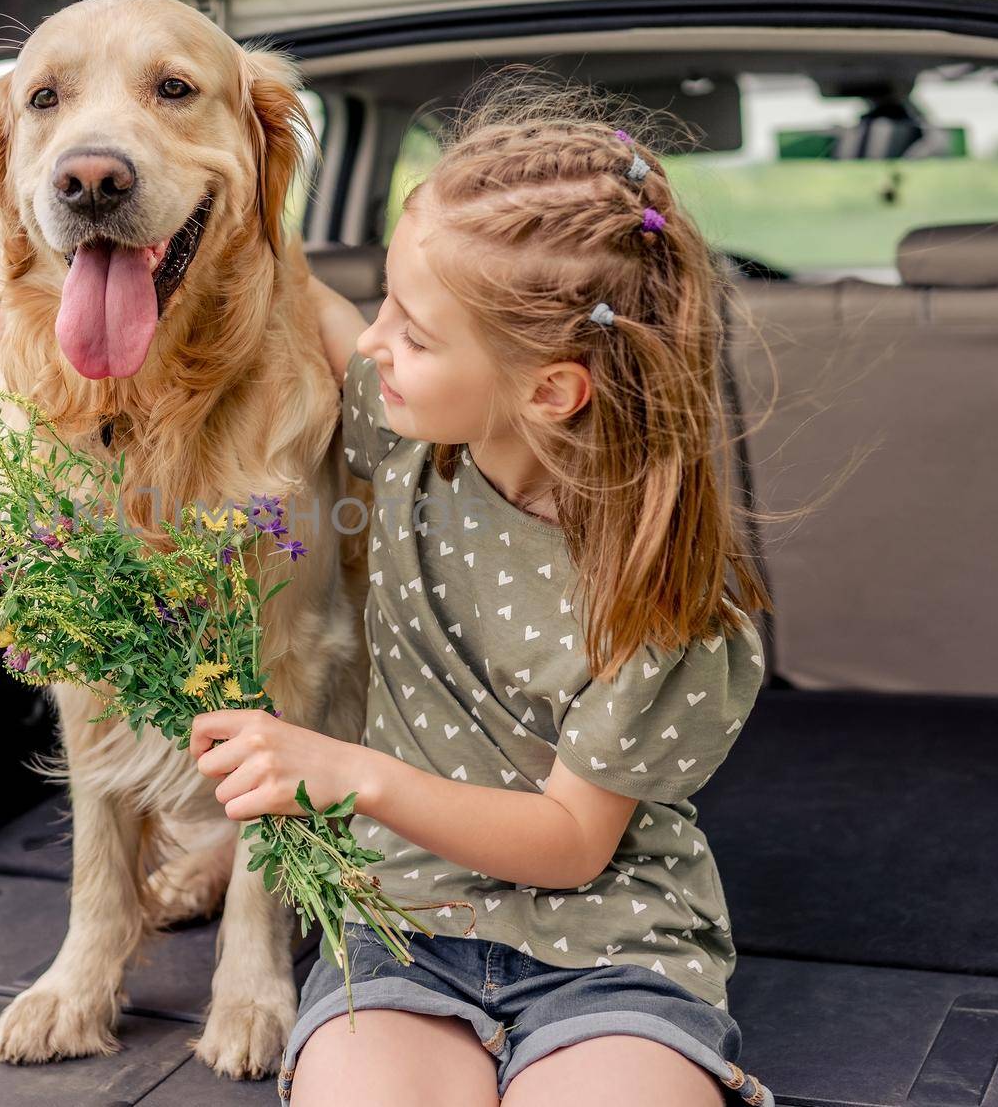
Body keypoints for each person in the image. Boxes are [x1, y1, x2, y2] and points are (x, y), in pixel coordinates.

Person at [188, 65, 778, 1107]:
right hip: (404, 930)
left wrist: (345, 773)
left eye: (411, 332)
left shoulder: (663, 595)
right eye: (386, 310)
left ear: (549, 392)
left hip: (609, 950)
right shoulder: (421, 438)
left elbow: (566, 843)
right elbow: (315, 306)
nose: (372, 344)